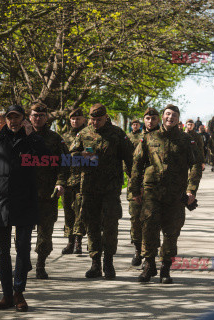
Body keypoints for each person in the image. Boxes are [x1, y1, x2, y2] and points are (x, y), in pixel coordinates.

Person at [0, 104, 49, 312]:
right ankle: (6, 294)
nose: (13, 122)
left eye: (17, 118)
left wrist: (31, 135)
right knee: (2, 252)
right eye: (10, 118)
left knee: (23, 250)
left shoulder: (32, 139)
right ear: (5, 119)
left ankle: (18, 292)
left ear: (24, 119)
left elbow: (44, 158)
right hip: (1, 201)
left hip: (25, 201)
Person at [130, 104, 202, 284]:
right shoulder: (149, 137)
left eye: (174, 115)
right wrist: (134, 190)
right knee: (149, 229)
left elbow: (195, 165)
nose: (170, 118)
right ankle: (149, 265)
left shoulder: (186, 140)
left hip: (175, 194)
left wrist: (191, 190)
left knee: (171, 231)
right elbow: (137, 165)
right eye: (167, 114)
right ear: (163, 117)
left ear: (178, 119)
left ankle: (166, 268)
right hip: (151, 192)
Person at [70, 103, 133, 280]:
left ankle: (109, 262)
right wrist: (81, 155)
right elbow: (70, 158)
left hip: (111, 189)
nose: (96, 122)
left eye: (99, 119)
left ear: (106, 117)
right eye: (93, 119)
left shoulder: (117, 134)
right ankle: (95, 262)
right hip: (89, 188)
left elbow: (129, 160)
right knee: (92, 225)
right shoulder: (83, 134)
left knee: (111, 225)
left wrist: (135, 184)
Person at [28, 102, 68, 279]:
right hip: (25, 194)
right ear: (30, 117)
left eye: (41, 115)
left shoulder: (55, 139)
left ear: (46, 118)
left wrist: (60, 183)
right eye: (35, 115)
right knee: (23, 232)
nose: (38, 118)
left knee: (45, 231)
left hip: (47, 193)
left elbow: (64, 163)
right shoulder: (22, 137)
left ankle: (40, 264)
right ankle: (23, 261)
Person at [128, 107, 160, 267]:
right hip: (135, 184)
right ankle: (137, 250)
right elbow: (129, 162)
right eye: (147, 118)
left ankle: (149, 252)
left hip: (154, 186)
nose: (150, 121)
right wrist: (134, 186)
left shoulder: (161, 136)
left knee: (151, 221)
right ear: (143, 120)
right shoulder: (133, 138)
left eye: (153, 118)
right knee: (135, 219)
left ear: (158, 120)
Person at [61, 108, 87, 255]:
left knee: (80, 211)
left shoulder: (88, 135)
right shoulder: (64, 137)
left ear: (83, 119)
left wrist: (73, 157)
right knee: (68, 212)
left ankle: (78, 241)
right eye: (72, 119)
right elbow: (60, 159)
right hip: (67, 179)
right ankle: (70, 241)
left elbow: (92, 158)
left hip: (82, 180)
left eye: (78, 119)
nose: (75, 121)